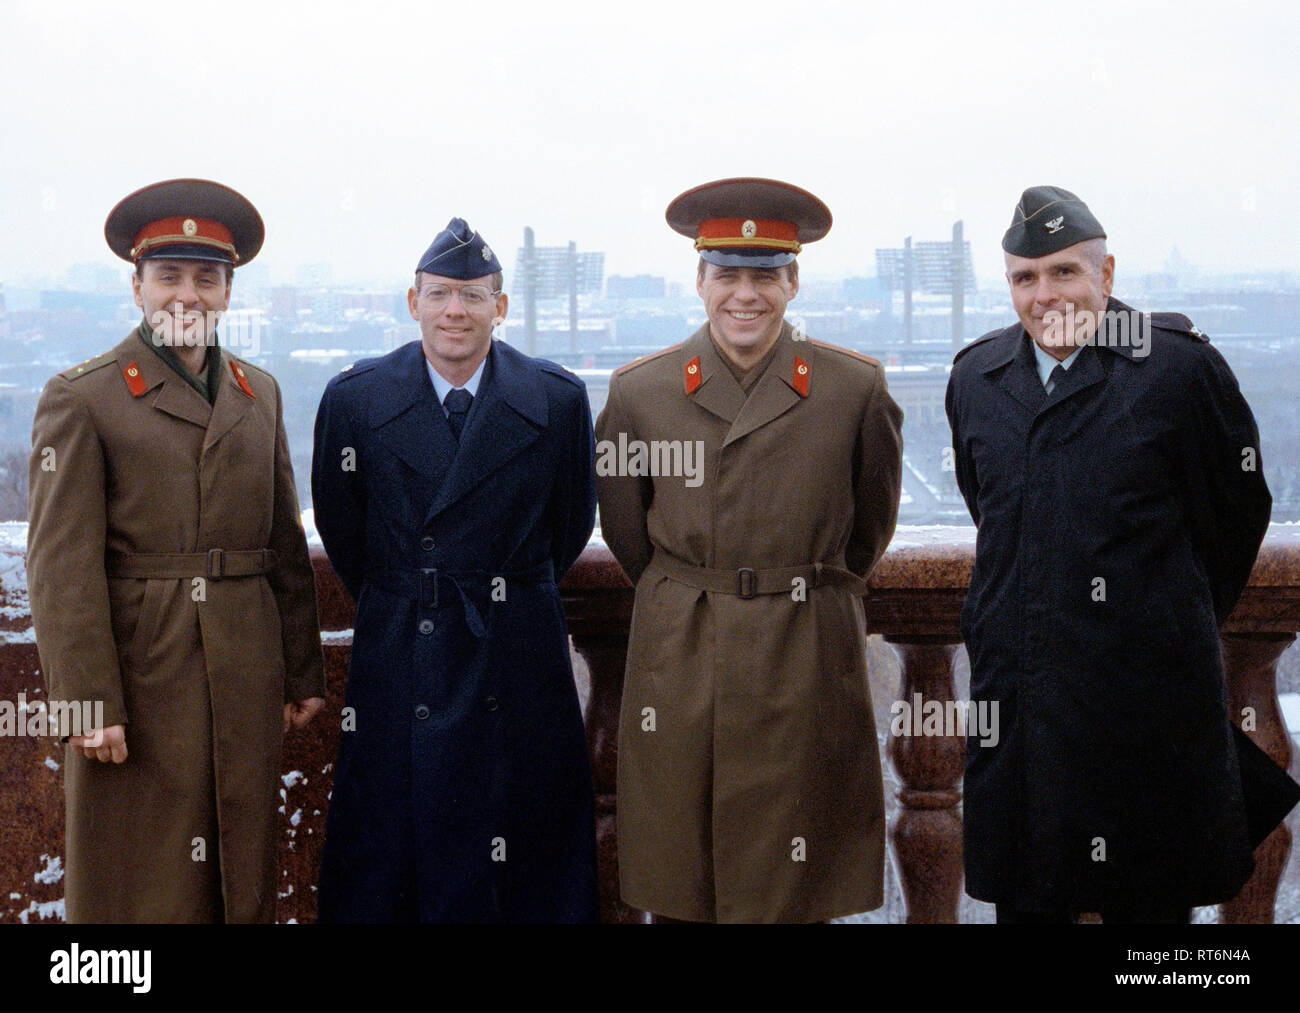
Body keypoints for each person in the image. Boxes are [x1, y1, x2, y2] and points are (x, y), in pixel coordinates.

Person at [945, 185, 1294, 923]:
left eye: (1065, 271)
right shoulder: (975, 378)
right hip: (1020, 708)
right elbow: (999, 517)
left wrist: (1161, 616)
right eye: (1024, 277)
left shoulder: (1178, 370)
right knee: (1028, 899)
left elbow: (1236, 514)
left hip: (1144, 712)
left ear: (1107, 274)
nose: (1046, 295)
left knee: (1151, 925)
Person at [595, 178, 904, 922]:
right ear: (699, 280)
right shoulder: (641, 392)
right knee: (683, 874)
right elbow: (627, 532)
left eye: (765, 276)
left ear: (793, 281)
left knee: (797, 883)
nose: (746, 295)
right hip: (684, 655)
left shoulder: (852, 388)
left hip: (804, 651)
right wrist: (698, 591)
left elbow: (869, 527)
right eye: (727, 275)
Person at [27, 178, 326, 923]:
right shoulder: (83, 396)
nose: (186, 294)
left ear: (227, 291)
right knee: (142, 886)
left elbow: (282, 541)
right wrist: (88, 700)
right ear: (136, 286)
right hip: (144, 674)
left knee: (241, 878)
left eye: (206, 277)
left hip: (246, 672)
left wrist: (300, 666)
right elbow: (60, 565)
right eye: (168, 275)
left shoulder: (259, 390)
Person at [311, 218, 598, 923]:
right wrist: (420, 591)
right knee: (392, 851)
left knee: (525, 855)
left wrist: (499, 589)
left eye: (473, 296)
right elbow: (345, 534)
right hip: (401, 651)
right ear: (413, 302)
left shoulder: (556, 400)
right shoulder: (355, 401)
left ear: (500, 307)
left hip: (517, 654)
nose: (455, 312)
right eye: (439, 295)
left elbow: (569, 524)